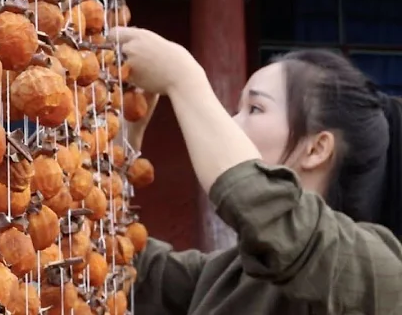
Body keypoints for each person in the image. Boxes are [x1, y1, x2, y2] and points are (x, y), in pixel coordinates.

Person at [110, 26, 402, 314]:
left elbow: (266, 208)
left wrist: (183, 79)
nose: (233, 124)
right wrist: (116, 158)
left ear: (316, 149)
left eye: (255, 108)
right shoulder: (230, 275)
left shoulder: (378, 272)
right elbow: (125, 266)